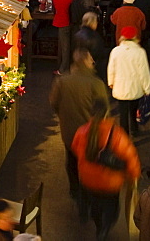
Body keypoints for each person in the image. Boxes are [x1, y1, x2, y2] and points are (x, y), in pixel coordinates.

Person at [73, 98, 141, 241]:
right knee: (112, 211)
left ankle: (99, 226)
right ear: (106, 114)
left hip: (87, 181)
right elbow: (129, 156)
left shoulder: (82, 131)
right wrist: (133, 175)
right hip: (110, 184)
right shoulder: (116, 134)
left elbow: (75, 149)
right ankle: (104, 229)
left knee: (95, 208)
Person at [50, 45, 110, 197]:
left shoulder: (62, 81)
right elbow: (103, 109)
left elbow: (54, 103)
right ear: (85, 62)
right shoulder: (96, 83)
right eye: (91, 59)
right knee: (88, 163)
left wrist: (64, 116)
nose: (93, 61)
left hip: (69, 132)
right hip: (89, 134)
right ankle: (86, 191)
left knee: (71, 161)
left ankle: (74, 189)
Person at [108, 26, 150, 137]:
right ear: (135, 37)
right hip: (135, 88)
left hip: (120, 87)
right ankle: (134, 130)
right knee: (133, 110)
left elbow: (111, 68)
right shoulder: (140, 52)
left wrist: (111, 82)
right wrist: (147, 89)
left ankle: (124, 136)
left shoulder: (116, 51)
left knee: (123, 114)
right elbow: (144, 72)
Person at [74, 12, 109, 81]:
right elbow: (99, 54)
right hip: (92, 70)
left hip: (78, 66)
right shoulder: (95, 37)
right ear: (92, 22)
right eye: (96, 21)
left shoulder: (77, 34)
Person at [50, 0, 73, 74]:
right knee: (66, 46)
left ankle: (63, 69)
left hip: (61, 22)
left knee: (65, 47)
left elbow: (54, 11)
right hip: (69, 22)